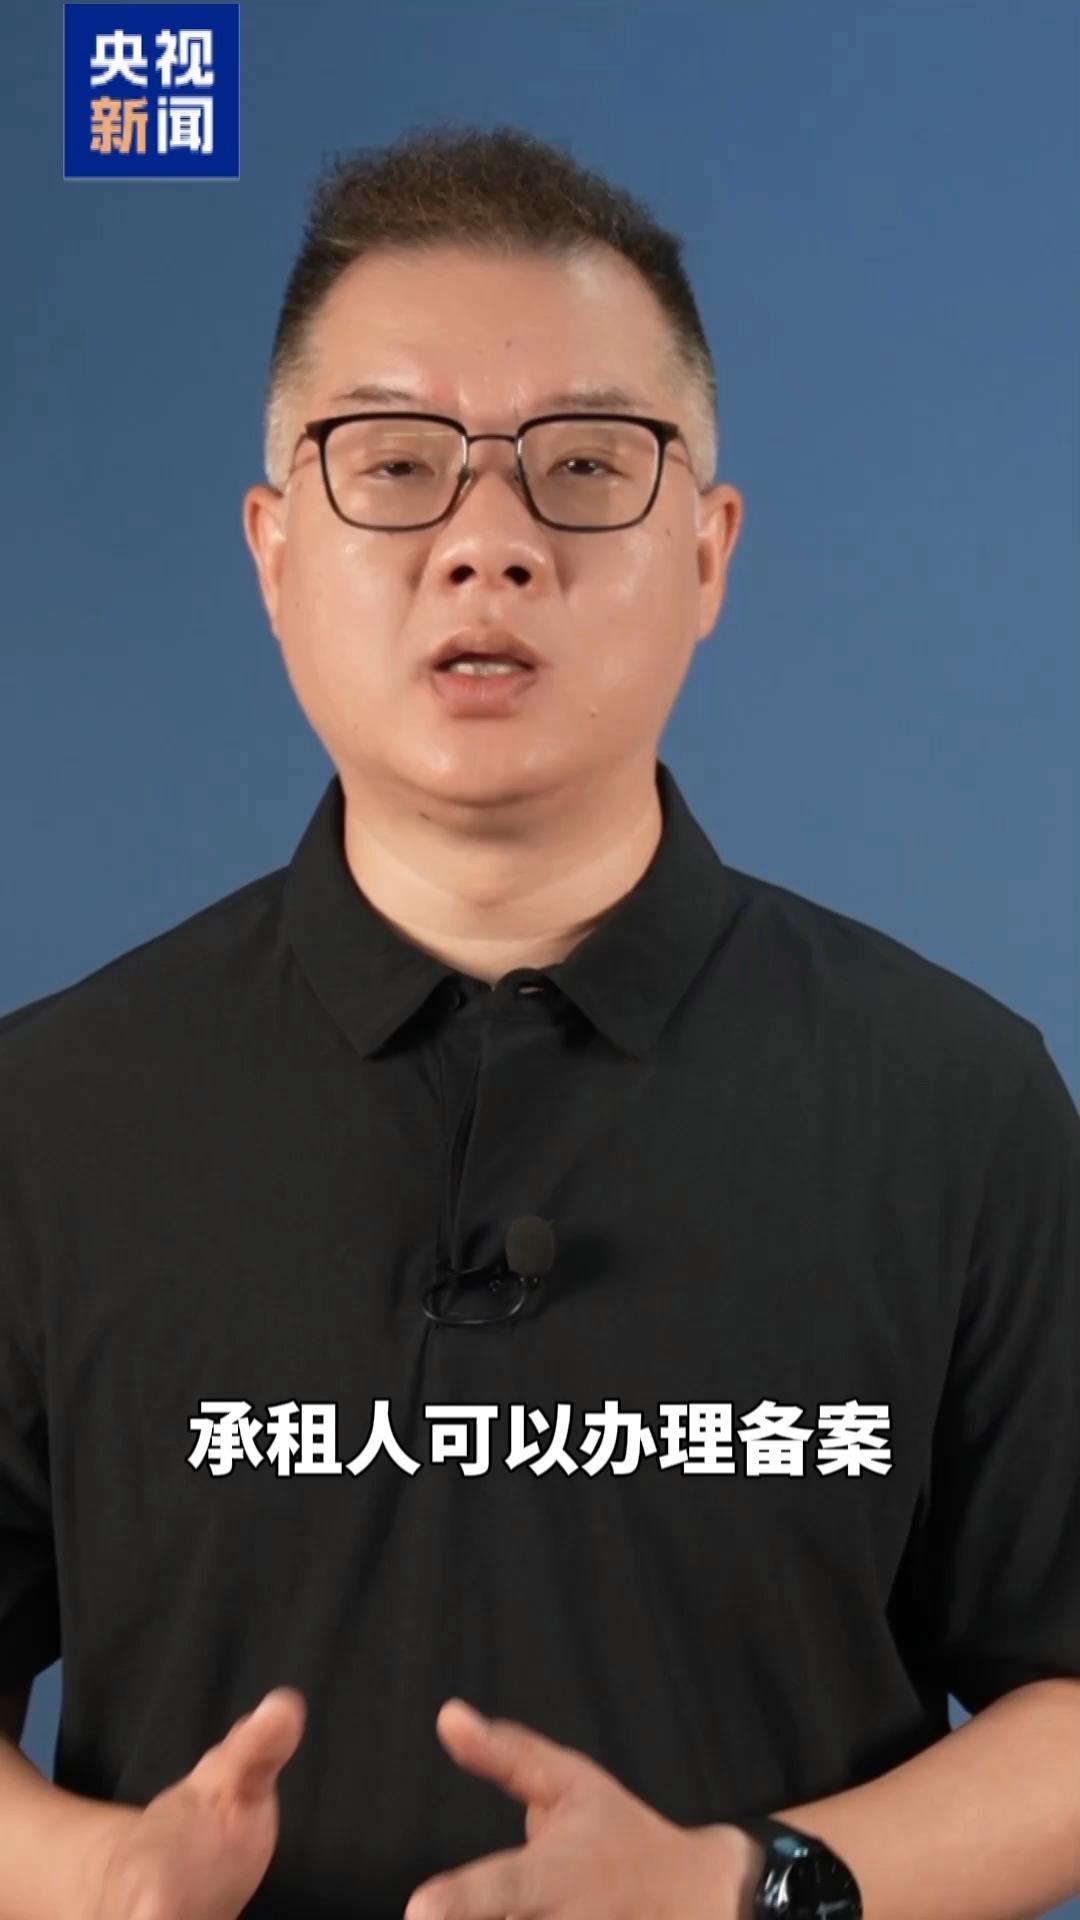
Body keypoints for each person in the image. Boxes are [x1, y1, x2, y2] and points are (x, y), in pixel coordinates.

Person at [1, 122, 1078, 1920]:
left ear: (711, 554)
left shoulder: (955, 1102)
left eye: (583, 466)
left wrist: (754, 1886)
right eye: (395, 466)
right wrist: (99, 1875)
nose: (488, 544)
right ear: (274, 551)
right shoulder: (48, 1117)